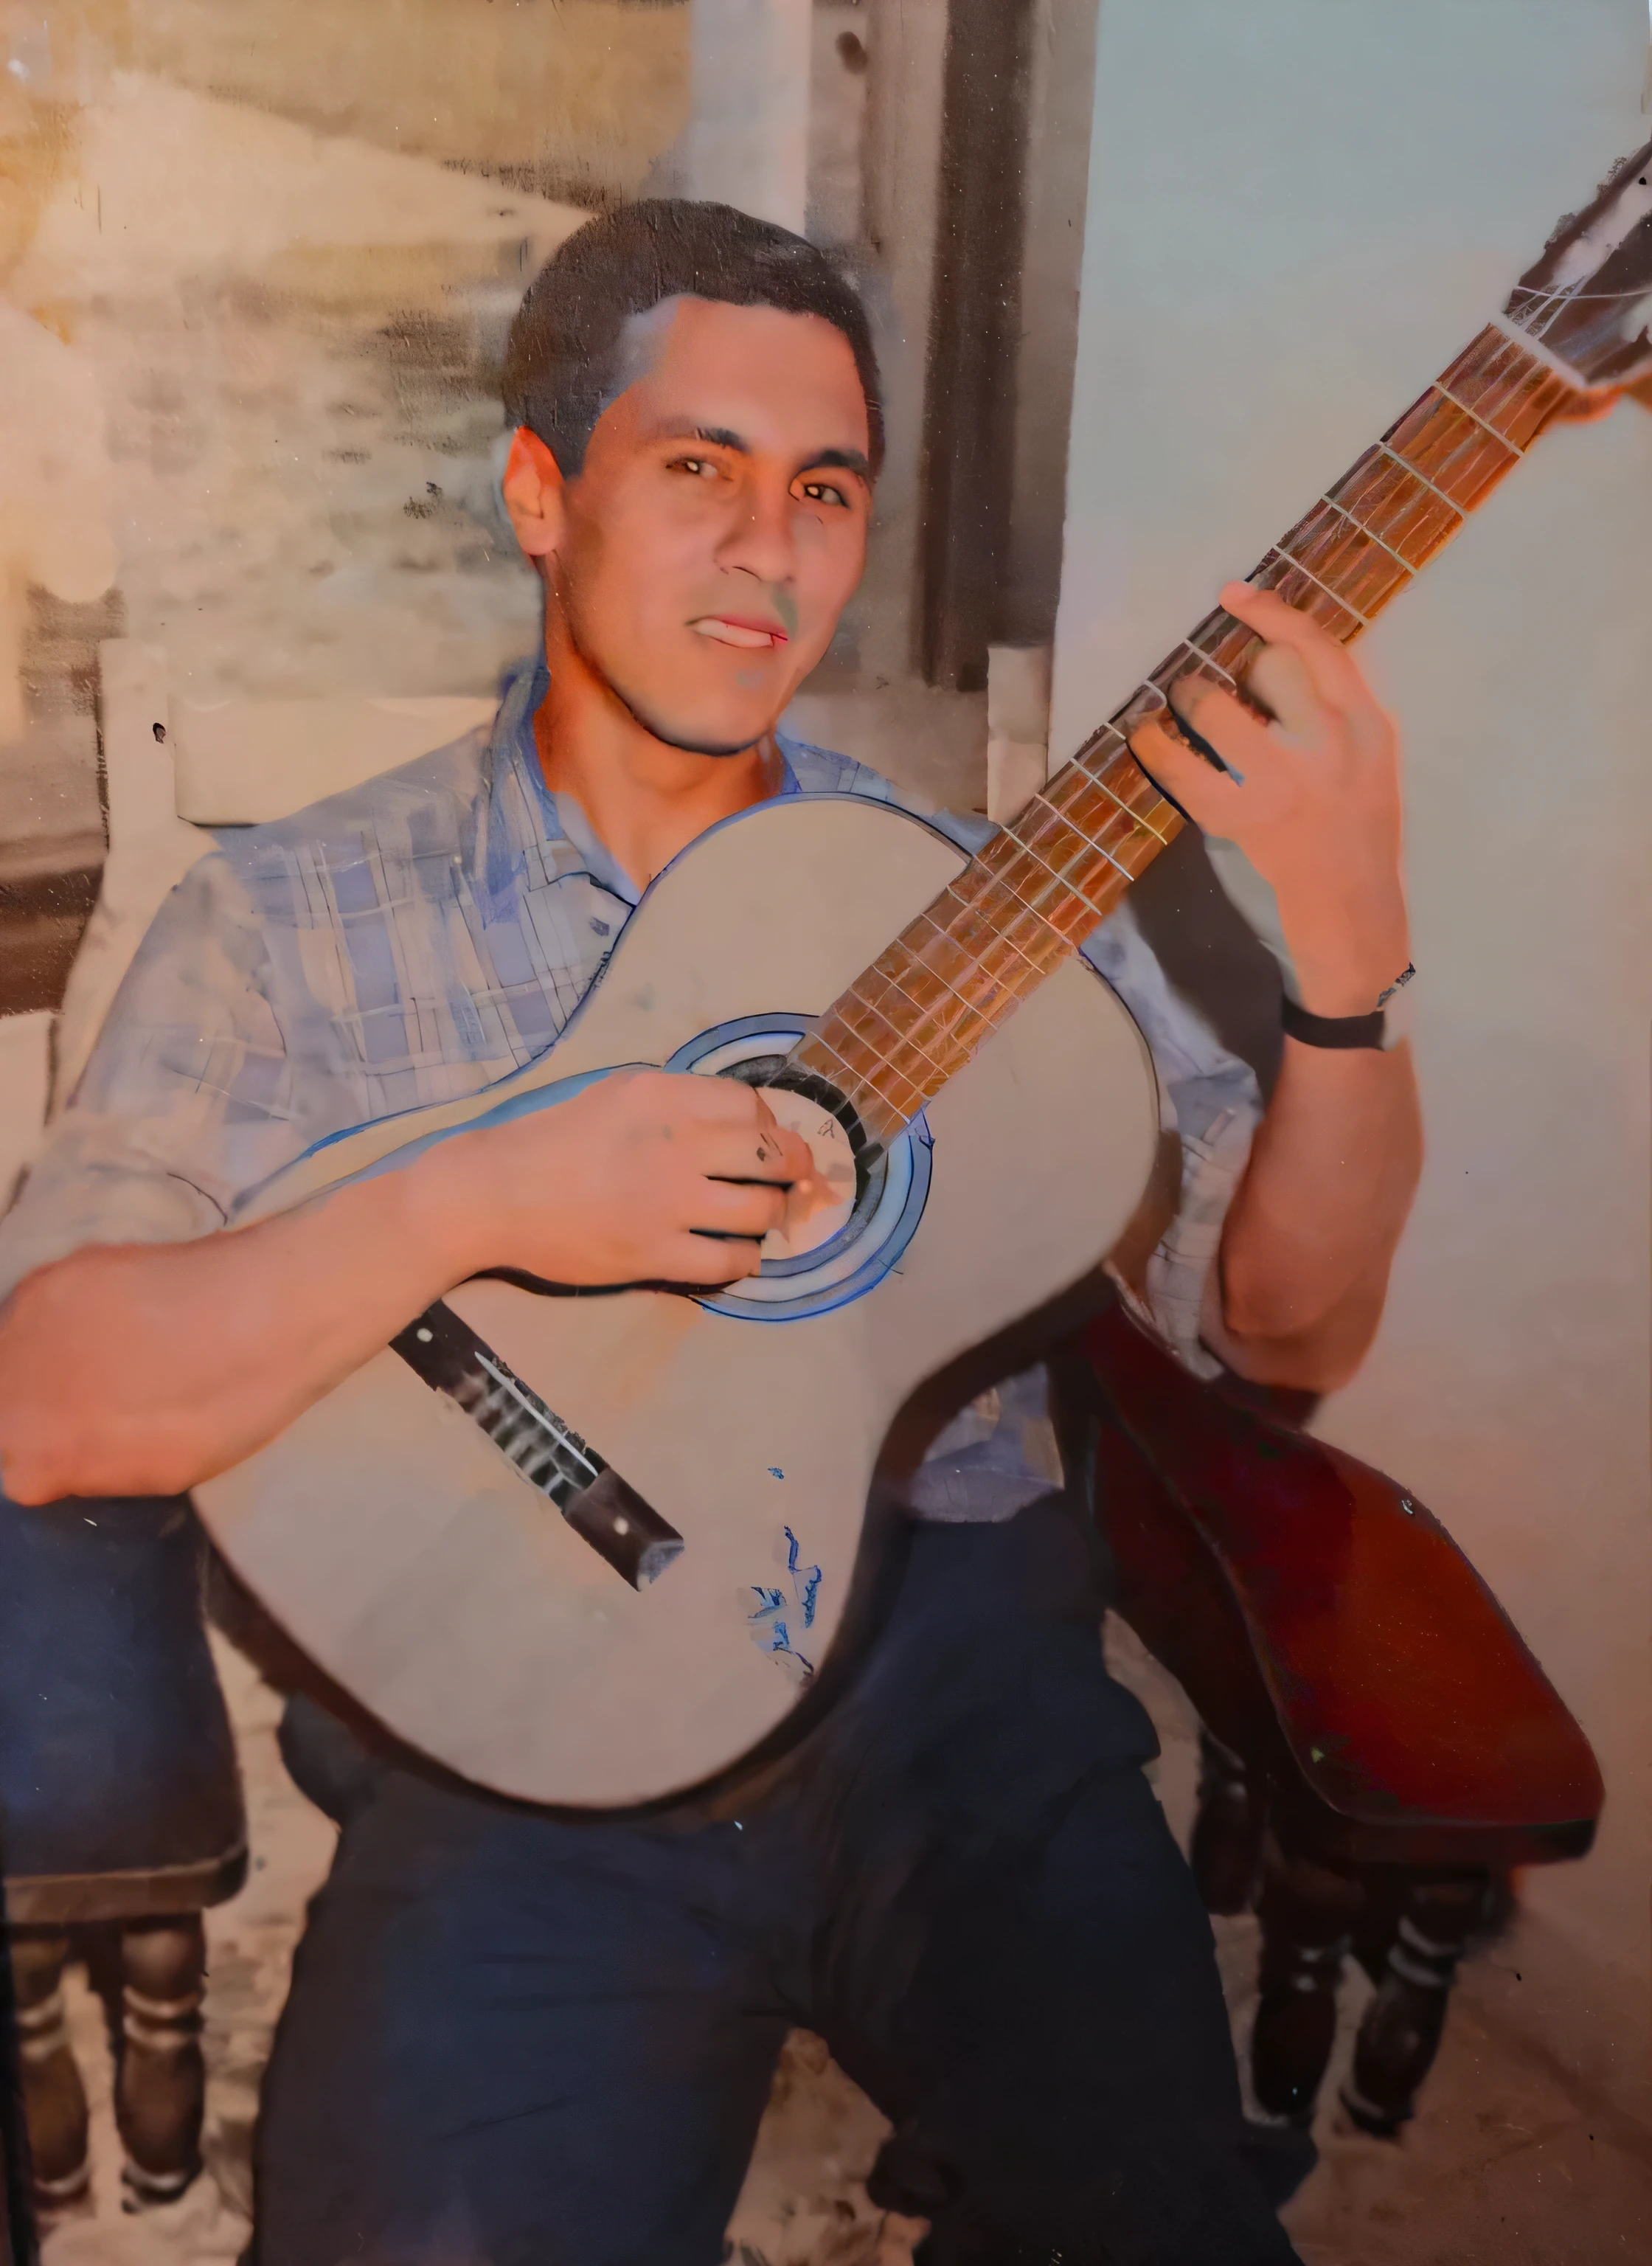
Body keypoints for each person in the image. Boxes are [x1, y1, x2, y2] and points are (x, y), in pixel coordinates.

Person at [0, 202, 1421, 2265]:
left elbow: (1283, 1335)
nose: (774, 551)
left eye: (825, 491)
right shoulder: (293, 914)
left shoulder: (994, 900)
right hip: (513, 1740)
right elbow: (45, 1407)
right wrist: (481, 1193)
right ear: (539, 493)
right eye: (701, 472)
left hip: (960, 1706)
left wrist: (1353, 964)